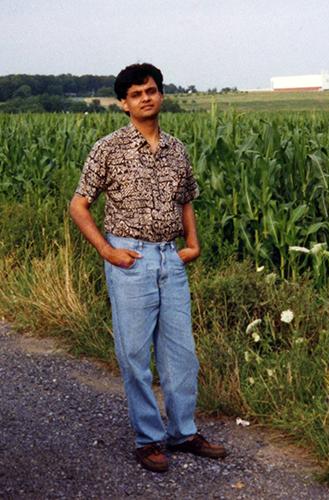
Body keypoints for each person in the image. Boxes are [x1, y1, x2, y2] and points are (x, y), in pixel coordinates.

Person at [69, 63, 227, 473]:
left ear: (161, 95)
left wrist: (192, 245)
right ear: (124, 104)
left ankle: (183, 432)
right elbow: (79, 205)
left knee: (181, 355)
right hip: (130, 259)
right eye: (136, 93)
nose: (146, 97)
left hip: (169, 259)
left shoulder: (177, 149)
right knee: (134, 355)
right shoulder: (108, 148)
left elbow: (186, 199)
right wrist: (107, 251)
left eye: (151, 90)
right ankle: (148, 439)